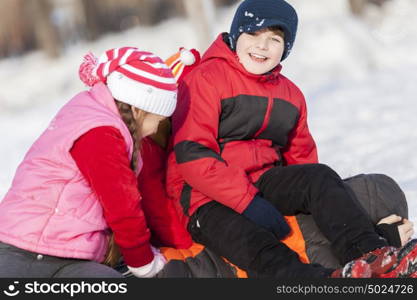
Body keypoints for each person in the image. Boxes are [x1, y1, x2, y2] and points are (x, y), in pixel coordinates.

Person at [166, 0, 417, 278]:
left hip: (262, 182)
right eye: (253, 34)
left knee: (318, 177)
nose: (262, 46)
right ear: (237, 35)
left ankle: (373, 256)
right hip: (205, 199)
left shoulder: (290, 95)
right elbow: (193, 156)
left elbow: (301, 160)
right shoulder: (206, 79)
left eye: (274, 39)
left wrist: (314, 202)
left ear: (285, 48)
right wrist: (246, 202)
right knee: (255, 242)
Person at [0, 47, 179, 278]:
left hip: (63, 253)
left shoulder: (97, 115)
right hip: (31, 252)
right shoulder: (100, 133)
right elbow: (122, 205)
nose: (156, 129)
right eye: (158, 119)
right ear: (137, 109)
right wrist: (142, 261)